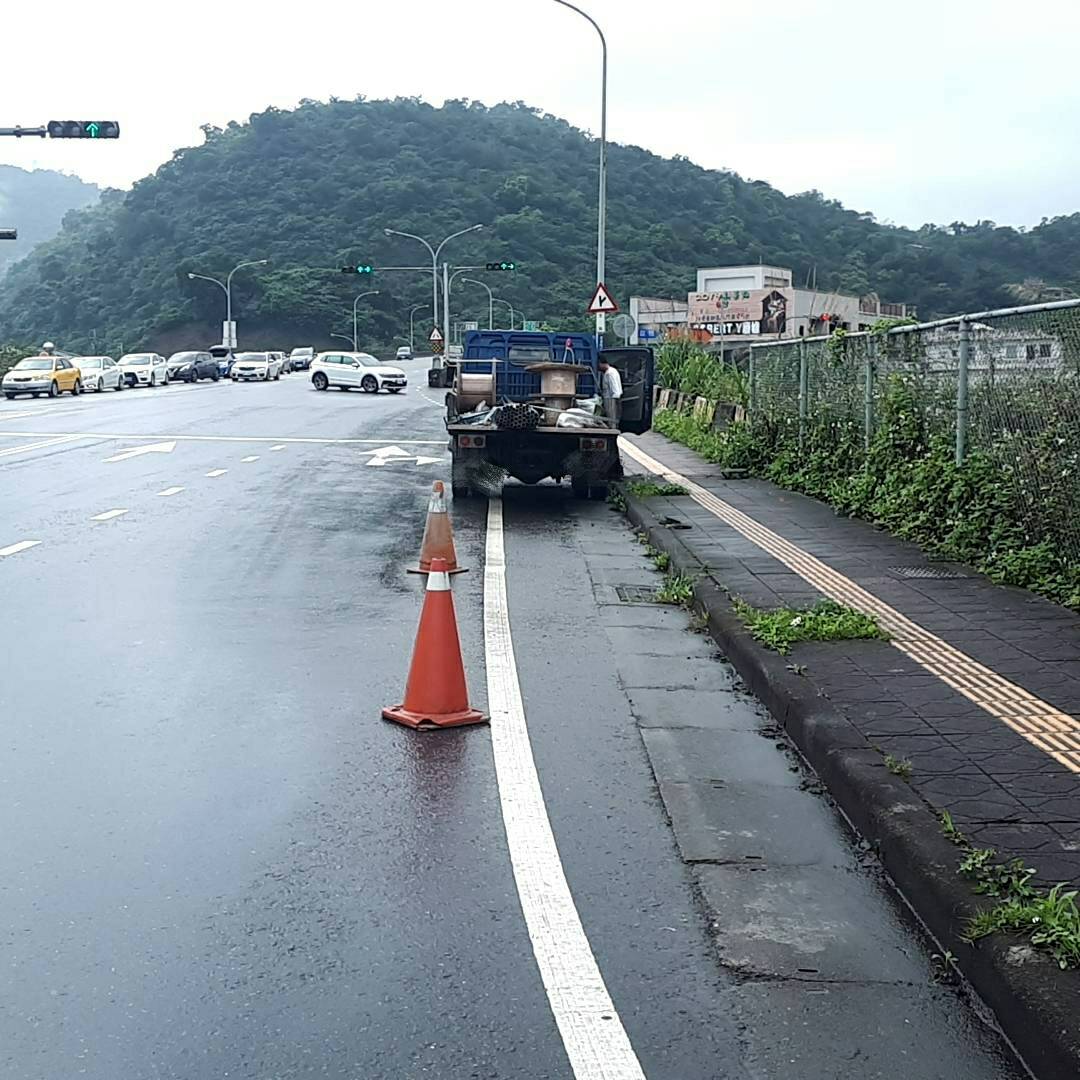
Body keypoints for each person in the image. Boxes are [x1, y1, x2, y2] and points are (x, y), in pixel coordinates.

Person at [598, 357, 622, 428]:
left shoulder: (610, 373)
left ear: (602, 364)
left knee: (611, 418)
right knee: (613, 418)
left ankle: (613, 431)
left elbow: (614, 386)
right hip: (613, 397)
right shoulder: (612, 371)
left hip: (611, 398)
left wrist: (615, 398)